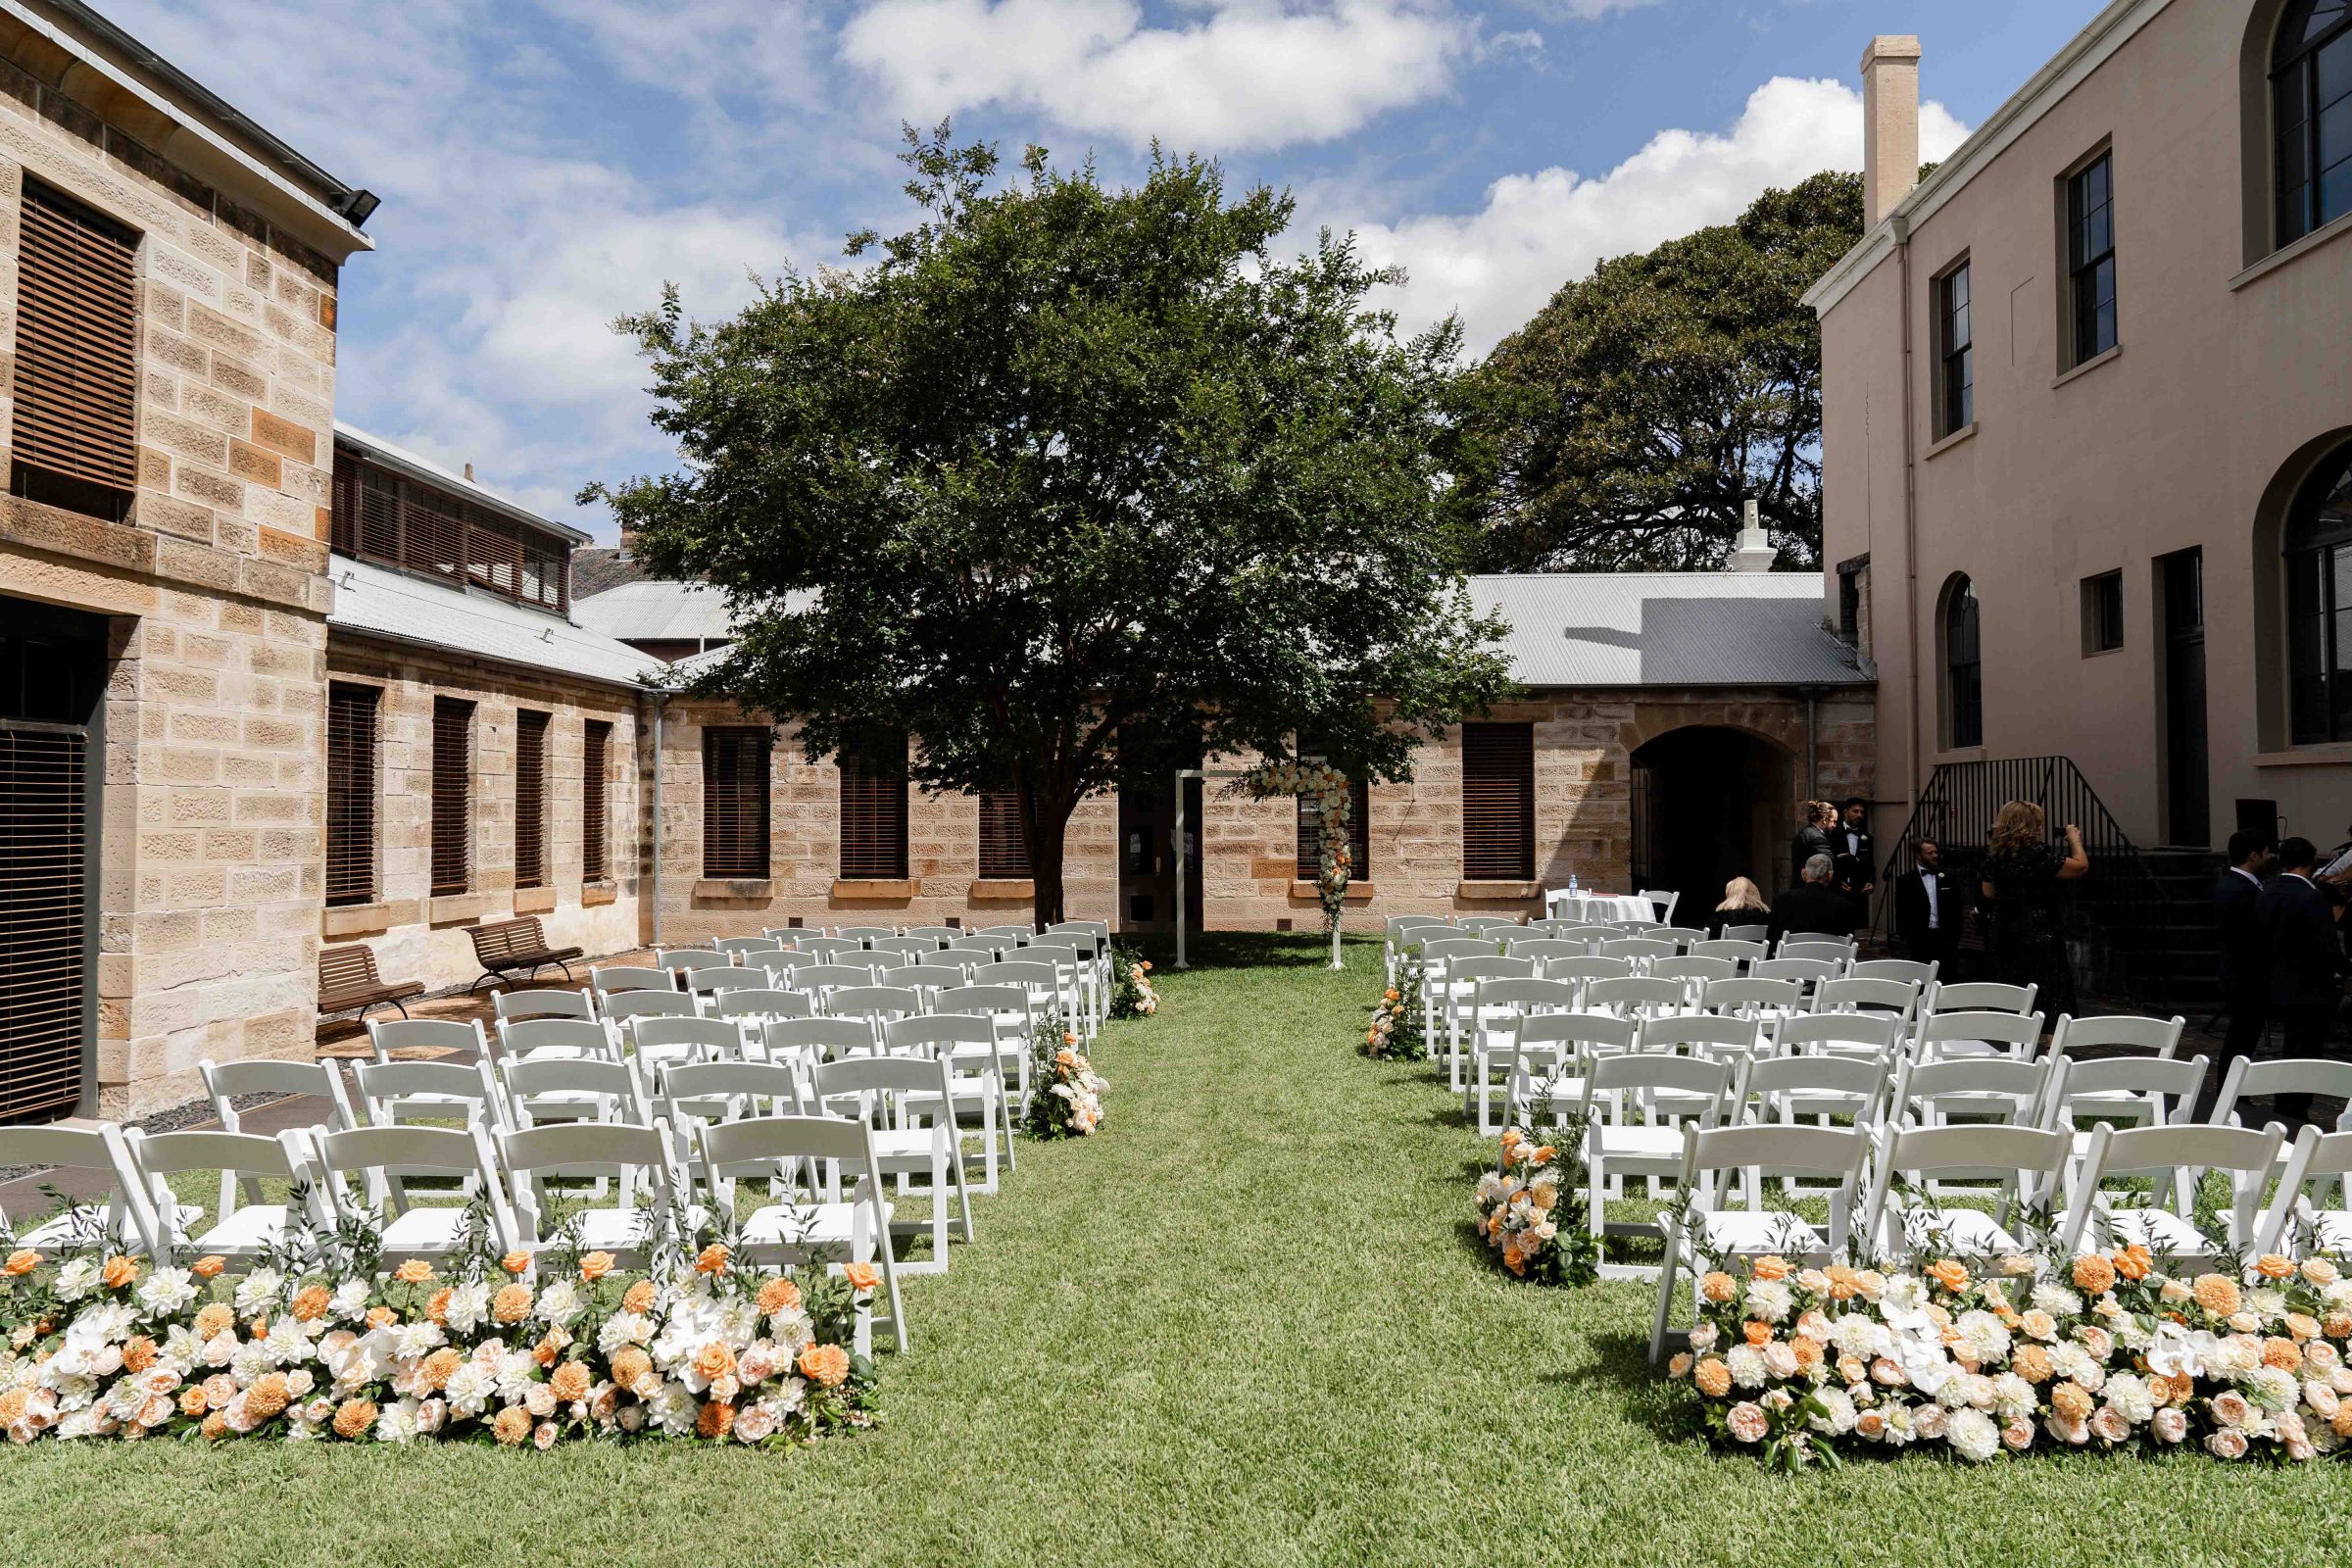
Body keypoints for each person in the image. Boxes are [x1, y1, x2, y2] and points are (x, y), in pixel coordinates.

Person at [2259, 837, 2348, 1128]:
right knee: (2306, 1050)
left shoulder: (2267, 893)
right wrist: (2345, 969)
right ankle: (2294, 1107)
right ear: (2311, 863)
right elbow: (2327, 946)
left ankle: (2285, 1102)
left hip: (2276, 981)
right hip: (2310, 986)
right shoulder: (2312, 898)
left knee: (2291, 1047)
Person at [1979, 801, 2088, 1022]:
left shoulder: (1995, 856)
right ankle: (2051, 1045)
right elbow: (2080, 867)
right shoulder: (2037, 854)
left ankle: (2015, 1041)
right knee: (2051, 986)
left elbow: (1988, 892)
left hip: (2005, 928)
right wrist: (2074, 840)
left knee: (2012, 983)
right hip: (2038, 927)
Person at [2210, 830, 2274, 1117]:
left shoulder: (2231, 884)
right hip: (2247, 975)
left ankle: (2234, 1089)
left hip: (2240, 972)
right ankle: (2233, 1091)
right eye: (2267, 852)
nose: (2270, 857)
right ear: (2254, 855)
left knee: (2242, 1035)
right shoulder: (2242, 891)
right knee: (2241, 1036)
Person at [1892, 837, 1963, 977]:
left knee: (1946, 978)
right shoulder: (1906, 881)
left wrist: (1955, 936)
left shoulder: (1948, 878)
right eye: (1929, 853)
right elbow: (1901, 911)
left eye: (1935, 852)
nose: (1934, 856)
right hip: (1920, 939)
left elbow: (1957, 908)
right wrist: (1907, 936)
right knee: (1920, 980)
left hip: (1945, 938)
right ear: (1918, 855)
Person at [1771, 855, 1855, 946]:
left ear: (1804, 874)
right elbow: (1847, 946)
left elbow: (1771, 941)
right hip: (1829, 959)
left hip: (1791, 959)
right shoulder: (1846, 906)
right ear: (1830, 875)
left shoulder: (1782, 901)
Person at [1832, 796, 1876, 927]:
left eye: (1862, 812)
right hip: (1837, 888)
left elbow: (1870, 864)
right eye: (1855, 811)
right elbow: (1828, 862)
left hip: (1858, 890)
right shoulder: (1833, 833)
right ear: (1845, 812)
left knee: (1854, 929)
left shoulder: (1867, 837)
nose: (1859, 815)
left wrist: (1871, 881)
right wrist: (1836, 882)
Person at [1707, 877, 1773, 940]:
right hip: (1757, 951)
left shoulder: (1721, 915)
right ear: (1755, 892)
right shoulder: (1766, 915)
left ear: (1730, 893)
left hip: (1728, 951)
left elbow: (1710, 942)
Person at [1790, 801, 1835, 884]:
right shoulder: (1816, 837)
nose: (1834, 825)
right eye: (1833, 821)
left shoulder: (1805, 832)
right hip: (1809, 886)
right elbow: (1829, 860)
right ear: (1825, 819)